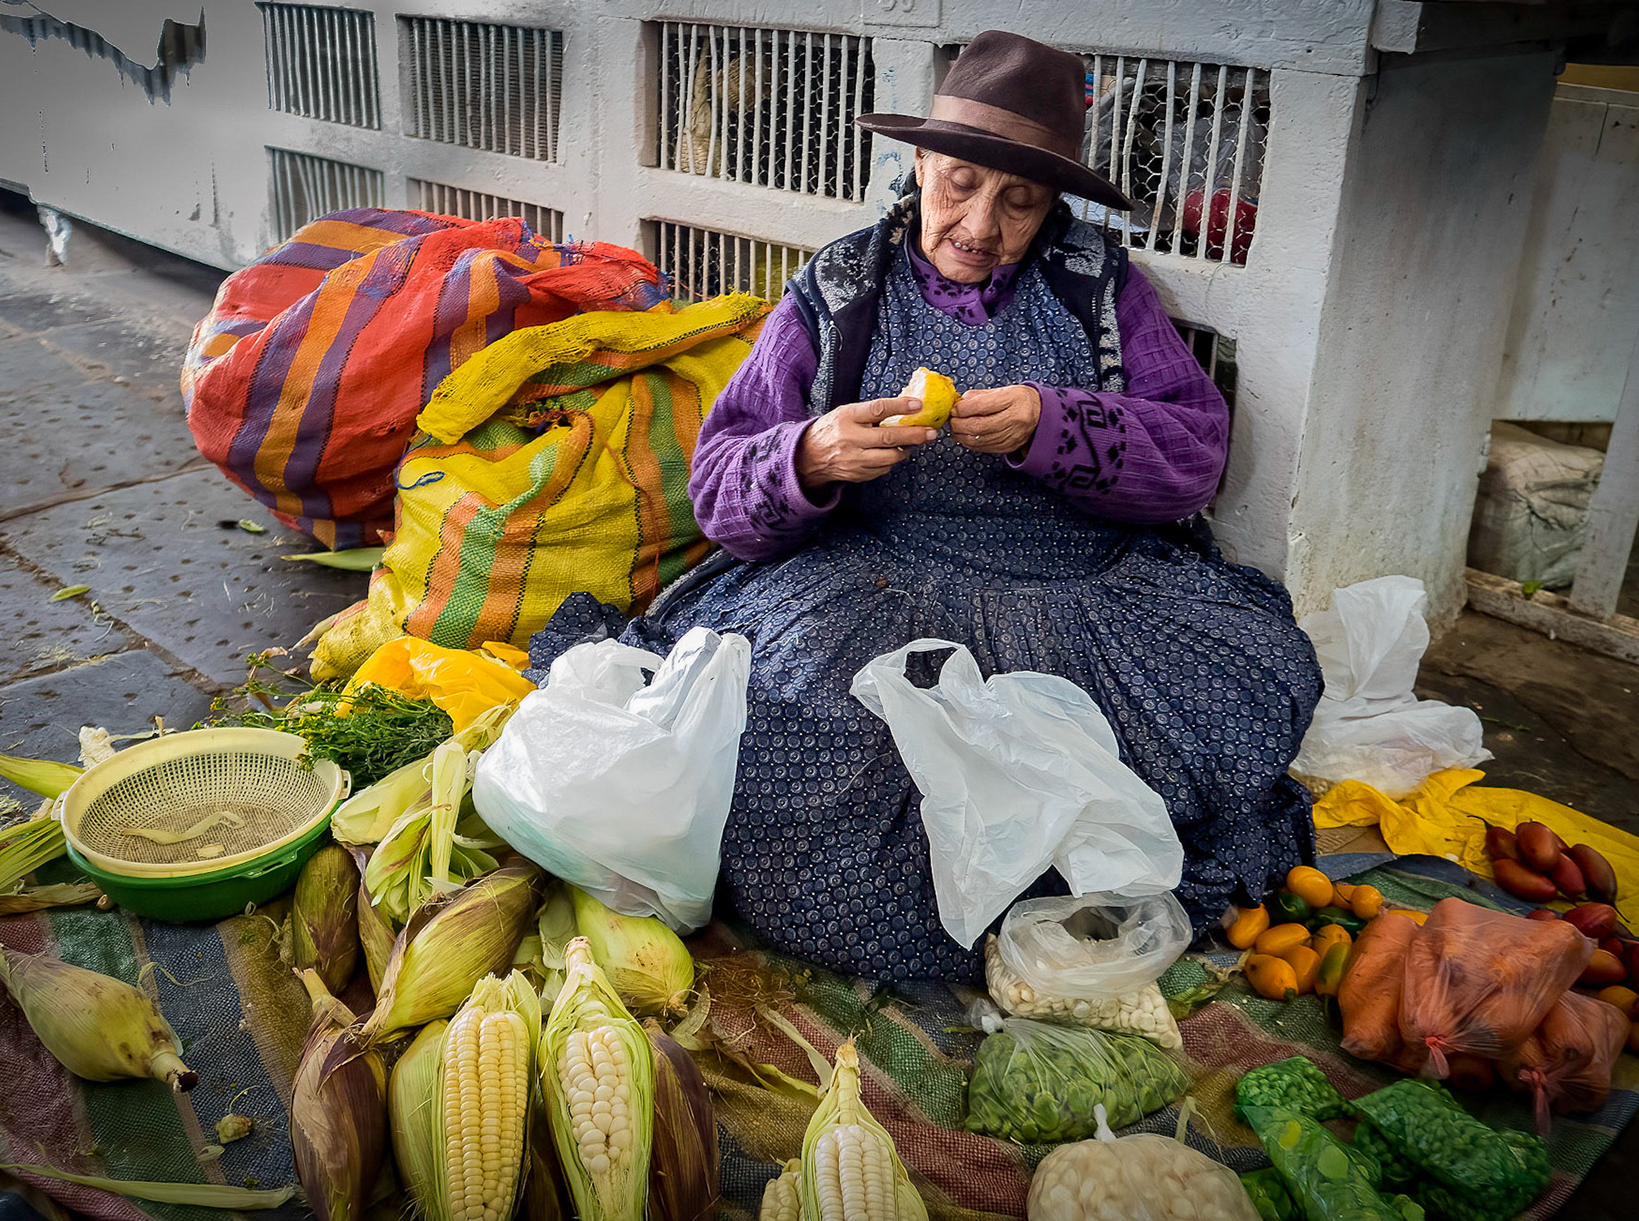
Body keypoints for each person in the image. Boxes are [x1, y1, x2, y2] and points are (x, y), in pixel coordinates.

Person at [535, 30, 1322, 983]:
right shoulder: (840, 289)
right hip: (867, 596)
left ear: (1054, 205)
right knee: (794, 771)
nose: (981, 225)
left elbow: (1194, 455)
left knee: (1160, 750)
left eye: (1019, 200)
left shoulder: (1097, 289)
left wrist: (1056, 425)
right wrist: (812, 454)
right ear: (918, 164)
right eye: (959, 185)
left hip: (1083, 603)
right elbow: (720, 485)